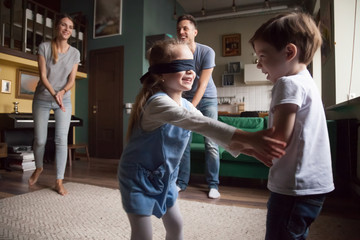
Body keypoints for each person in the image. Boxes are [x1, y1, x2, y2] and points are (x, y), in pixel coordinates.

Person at [117, 38, 286, 240]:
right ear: (161, 73)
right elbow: (200, 124)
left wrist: (247, 148)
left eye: (192, 66)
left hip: (166, 178)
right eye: (183, 66)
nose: (191, 72)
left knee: (176, 226)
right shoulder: (157, 104)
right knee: (143, 234)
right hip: (138, 178)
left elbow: (208, 129)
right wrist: (250, 137)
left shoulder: (187, 106)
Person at [249, 12, 334, 239]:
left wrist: (248, 145)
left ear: (289, 52)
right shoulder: (307, 81)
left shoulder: (286, 83)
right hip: (313, 186)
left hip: (293, 187)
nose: (258, 64)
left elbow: (279, 139)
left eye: (262, 56)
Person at [28, 14, 80, 196]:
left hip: (63, 99)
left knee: (61, 139)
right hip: (43, 97)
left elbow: (72, 79)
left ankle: (59, 180)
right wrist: (53, 93)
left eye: (70, 27)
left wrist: (62, 93)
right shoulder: (44, 47)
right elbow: (42, 76)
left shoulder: (75, 53)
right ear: (57, 27)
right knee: (40, 140)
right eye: (64, 25)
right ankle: (39, 167)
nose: (67, 29)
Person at [175, 14, 221, 199]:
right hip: (186, 98)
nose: (181, 32)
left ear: (194, 32)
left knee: (211, 142)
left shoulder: (207, 52)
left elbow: (202, 84)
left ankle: (213, 185)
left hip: (207, 98)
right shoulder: (177, 53)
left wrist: (190, 108)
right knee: (184, 141)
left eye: (185, 28)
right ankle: (181, 182)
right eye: (179, 29)